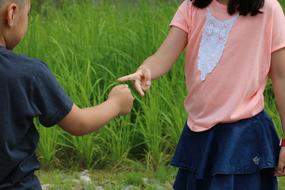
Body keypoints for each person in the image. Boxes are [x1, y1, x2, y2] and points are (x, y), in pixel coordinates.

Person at [118, 0, 285, 189]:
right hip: (199, 135)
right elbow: (163, 56)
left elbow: (281, 78)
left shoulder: (269, 10)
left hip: (244, 137)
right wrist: (145, 69)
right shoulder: (191, 7)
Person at [0, 0, 134, 189]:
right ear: (12, 13)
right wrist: (116, 103)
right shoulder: (28, 73)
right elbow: (79, 123)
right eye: (28, 14)